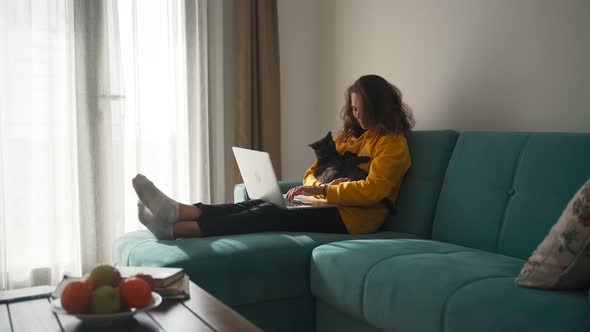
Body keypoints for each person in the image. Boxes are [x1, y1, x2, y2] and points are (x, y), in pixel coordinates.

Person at [133, 74, 413, 240]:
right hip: (325, 203)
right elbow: (312, 171)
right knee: (254, 203)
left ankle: (177, 229)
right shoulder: (348, 137)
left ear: (380, 107)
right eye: (353, 109)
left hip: (355, 219)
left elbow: (374, 191)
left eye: (362, 109)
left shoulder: (392, 145)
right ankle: (175, 213)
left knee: (267, 214)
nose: (357, 115)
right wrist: (312, 186)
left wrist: (324, 190)